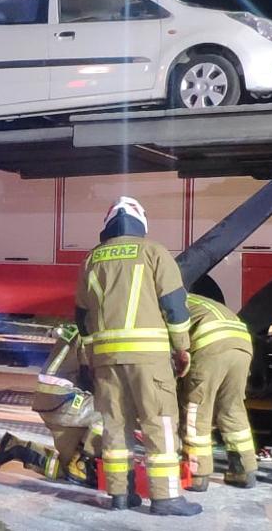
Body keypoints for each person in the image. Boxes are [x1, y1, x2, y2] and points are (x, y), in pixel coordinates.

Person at [76, 196, 202, 516]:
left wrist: (91, 354)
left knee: (114, 426)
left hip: (106, 360)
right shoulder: (153, 252)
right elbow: (174, 307)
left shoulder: (91, 260)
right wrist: (182, 346)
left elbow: (82, 316)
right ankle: (166, 498)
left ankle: (119, 494)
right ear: (141, 223)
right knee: (158, 424)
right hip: (149, 359)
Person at [0, 324, 101, 487]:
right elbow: (96, 378)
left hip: (53, 401)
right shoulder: (93, 332)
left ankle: (18, 449)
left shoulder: (78, 327)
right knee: (113, 408)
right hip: (66, 400)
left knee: (69, 470)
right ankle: (82, 462)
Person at [180, 293, 257, 490]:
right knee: (232, 408)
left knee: (197, 410)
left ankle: (197, 474)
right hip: (242, 344)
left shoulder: (161, 303)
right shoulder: (194, 299)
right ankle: (244, 470)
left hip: (210, 345)